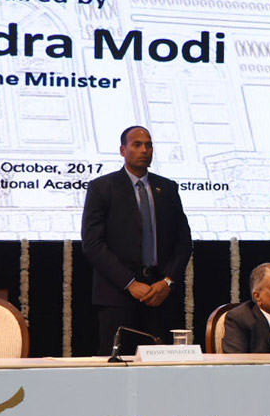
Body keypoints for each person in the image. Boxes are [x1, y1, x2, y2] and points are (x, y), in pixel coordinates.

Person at [81, 126, 193, 355]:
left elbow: (183, 242)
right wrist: (130, 283)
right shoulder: (102, 188)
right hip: (117, 296)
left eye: (149, 145)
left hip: (160, 296)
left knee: (161, 374)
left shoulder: (168, 188)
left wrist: (167, 282)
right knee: (116, 368)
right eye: (137, 144)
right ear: (123, 150)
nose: (145, 150)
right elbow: (93, 243)